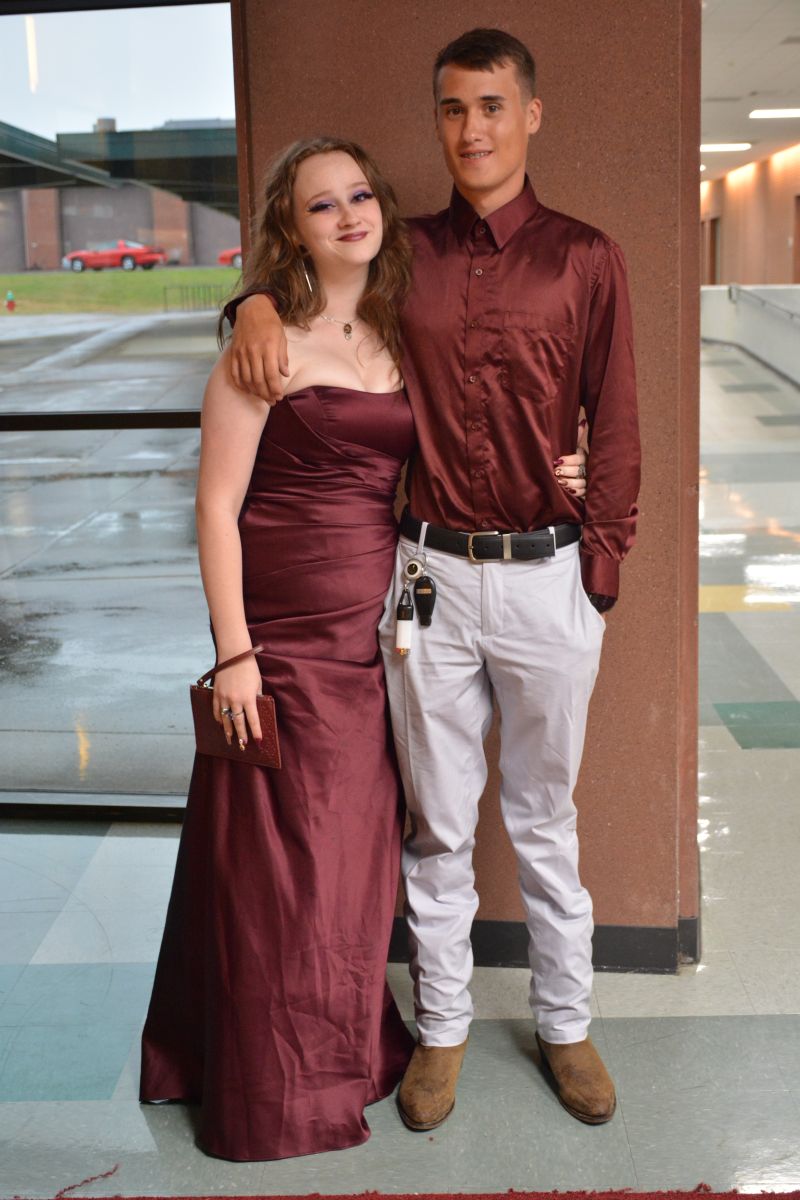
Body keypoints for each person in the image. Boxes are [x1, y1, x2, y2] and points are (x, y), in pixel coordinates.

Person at [225, 28, 640, 1132]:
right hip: (426, 582)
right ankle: (443, 1032)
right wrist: (251, 302)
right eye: (453, 109)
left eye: (491, 106)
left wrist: (598, 568)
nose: (471, 129)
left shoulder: (588, 257)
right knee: (438, 825)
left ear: (529, 114)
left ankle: (566, 1025)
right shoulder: (401, 256)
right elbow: (307, 292)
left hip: (550, 578)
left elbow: (618, 418)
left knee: (544, 818)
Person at [139, 137, 419, 1162]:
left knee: (350, 865)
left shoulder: (400, 331)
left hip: (373, 641)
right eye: (320, 205)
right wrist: (235, 655)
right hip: (283, 640)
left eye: (359, 194)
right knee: (278, 871)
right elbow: (215, 508)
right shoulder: (262, 346)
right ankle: (273, 1088)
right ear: (290, 231)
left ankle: (342, 1050)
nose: (348, 215)